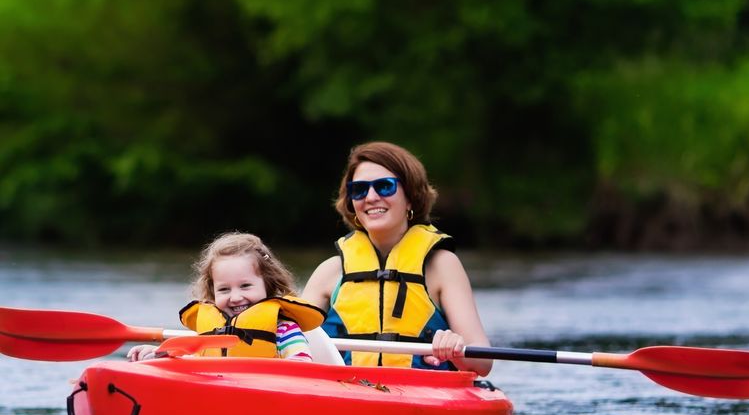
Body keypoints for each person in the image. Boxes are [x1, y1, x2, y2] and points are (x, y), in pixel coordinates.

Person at [301, 141, 493, 376]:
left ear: (410, 197)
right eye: (359, 190)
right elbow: (290, 344)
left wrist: (454, 347)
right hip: (346, 393)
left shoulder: (442, 265)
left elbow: (482, 363)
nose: (371, 197)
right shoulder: (329, 272)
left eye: (384, 186)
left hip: (423, 394)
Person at [127, 232, 325, 361]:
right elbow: (188, 359)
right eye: (224, 289)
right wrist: (157, 353)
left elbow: (302, 364)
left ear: (268, 284)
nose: (235, 297)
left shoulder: (284, 330)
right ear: (212, 291)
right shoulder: (211, 331)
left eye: (245, 286)